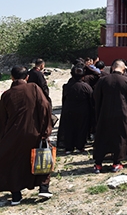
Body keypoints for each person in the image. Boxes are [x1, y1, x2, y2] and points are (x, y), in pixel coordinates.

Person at [0, 65, 54, 205]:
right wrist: (45, 130)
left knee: (13, 163)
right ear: (27, 77)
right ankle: (43, 187)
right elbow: (45, 107)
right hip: (34, 132)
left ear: (12, 77)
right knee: (42, 156)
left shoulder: (6, 95)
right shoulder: (34, 88)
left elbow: (2, 119)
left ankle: (16, 195)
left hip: (13, 135)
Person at [93, 59, 127, 173]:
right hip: (122, 113)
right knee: (120, 137)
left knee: (102, 136)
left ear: (112, 68)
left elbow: (97, 98)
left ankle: (98, 164)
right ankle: (116, 163)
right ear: (123, 69)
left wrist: (98, 112)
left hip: (105, 111)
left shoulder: (103, 80)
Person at [59, 64, 93, 153]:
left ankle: (69, 147)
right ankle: (79, 146)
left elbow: (64, 99)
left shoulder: (66, 86)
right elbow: (91, 100)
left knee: (69, 129)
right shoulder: (86, 87)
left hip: (69, 110)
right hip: (83, 111)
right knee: (81, 129)